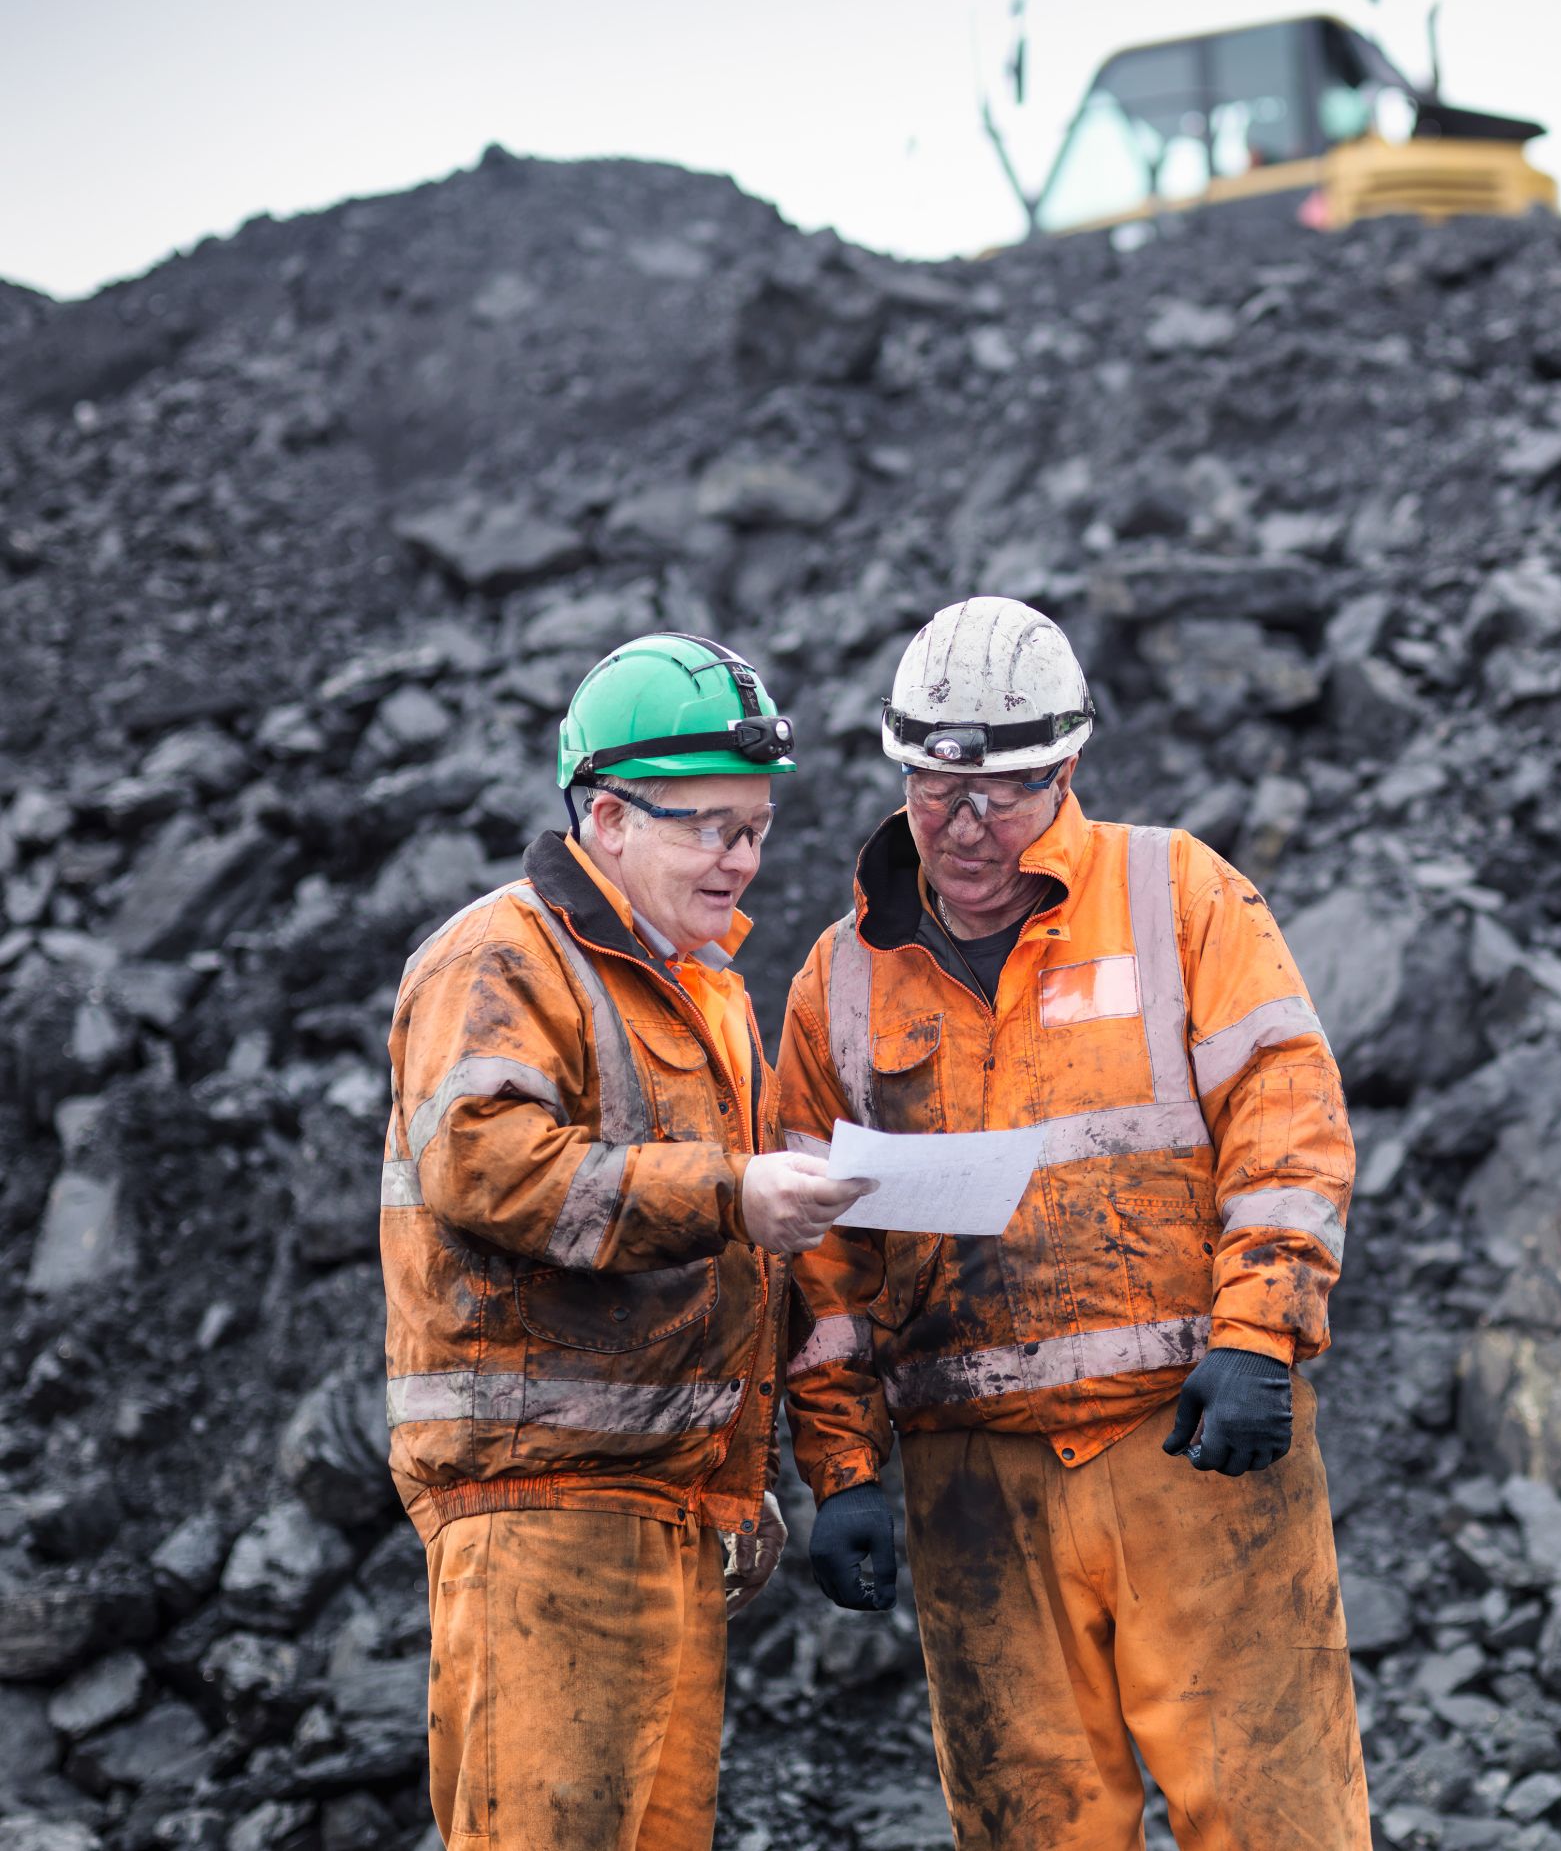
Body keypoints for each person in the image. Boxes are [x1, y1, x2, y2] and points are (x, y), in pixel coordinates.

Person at [780, 596, 1369, 1848]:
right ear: (901, 771)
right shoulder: (837, 980)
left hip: (1190, 1447)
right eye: (940, 790)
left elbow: (1287, 1111)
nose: (968, 824)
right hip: (975, 1484)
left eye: (1007, 789)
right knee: (1030, 1828)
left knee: (1277, 1817)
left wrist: (1260, 1331)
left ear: (1069, 767)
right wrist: (841, 1468)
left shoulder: (1175, 894)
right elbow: (816, 1257)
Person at [379, 633, 863, 1851]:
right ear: (605, 814)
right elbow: (483, 1161)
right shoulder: (501, 955)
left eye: (754, 827)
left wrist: (741, 1476)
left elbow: (742, 1265)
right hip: (540, 1511)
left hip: (669, 1511)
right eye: (709, 825)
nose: (741, 858)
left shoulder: (705, 994)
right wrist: (730, 1192)